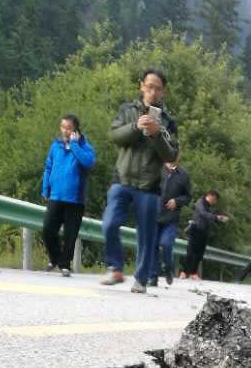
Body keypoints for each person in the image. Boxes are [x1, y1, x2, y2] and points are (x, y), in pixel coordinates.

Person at [101, 68, 179, 294]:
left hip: (149, 186)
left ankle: (141, 280)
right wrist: (136, 126)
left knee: (146, 236)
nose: (153, 91)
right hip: (122, 179)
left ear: (163, 92)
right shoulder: (127, 110)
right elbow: (115, 136)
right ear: (141, 85)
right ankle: (115, 267)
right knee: (109, 224)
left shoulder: (168, 122)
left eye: (158, 88)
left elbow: (171, 156)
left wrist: (156, 134)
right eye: (149, 86)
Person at [41, 115, 95, 276]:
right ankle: (55, 258)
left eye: (69, 127)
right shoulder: (55, 145)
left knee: (70, 235)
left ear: (76, 130)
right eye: (63, 127)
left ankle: (65, 264)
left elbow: (88, 162)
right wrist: (45, 188)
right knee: (48, 230)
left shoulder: (85, 146)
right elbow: (48, 167)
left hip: (75, 199)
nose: (65, 130)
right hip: (56, 196)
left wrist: (74, 145)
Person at [150, 156, 191, 287]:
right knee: (153, 247)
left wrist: (177, 201)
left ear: (179, 156)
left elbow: (188, 197)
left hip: (171, 218)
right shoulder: (156, 169)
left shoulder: (183, 175)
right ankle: (153, 277)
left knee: (166, 244)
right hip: (154, 215)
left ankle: (168, 268)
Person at [178, 191, 229, 280]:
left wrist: (220, 219)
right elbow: (203, 213)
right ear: (211, 196)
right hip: (196, 229)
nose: (215, 202)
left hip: (204, 232)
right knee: (190, 252)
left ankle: (193, 273)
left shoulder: (209, 207)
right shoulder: (200, 202)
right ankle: (184, 272)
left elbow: (209, 217)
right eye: (215, 200)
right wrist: (217, 217)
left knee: (199, 254)